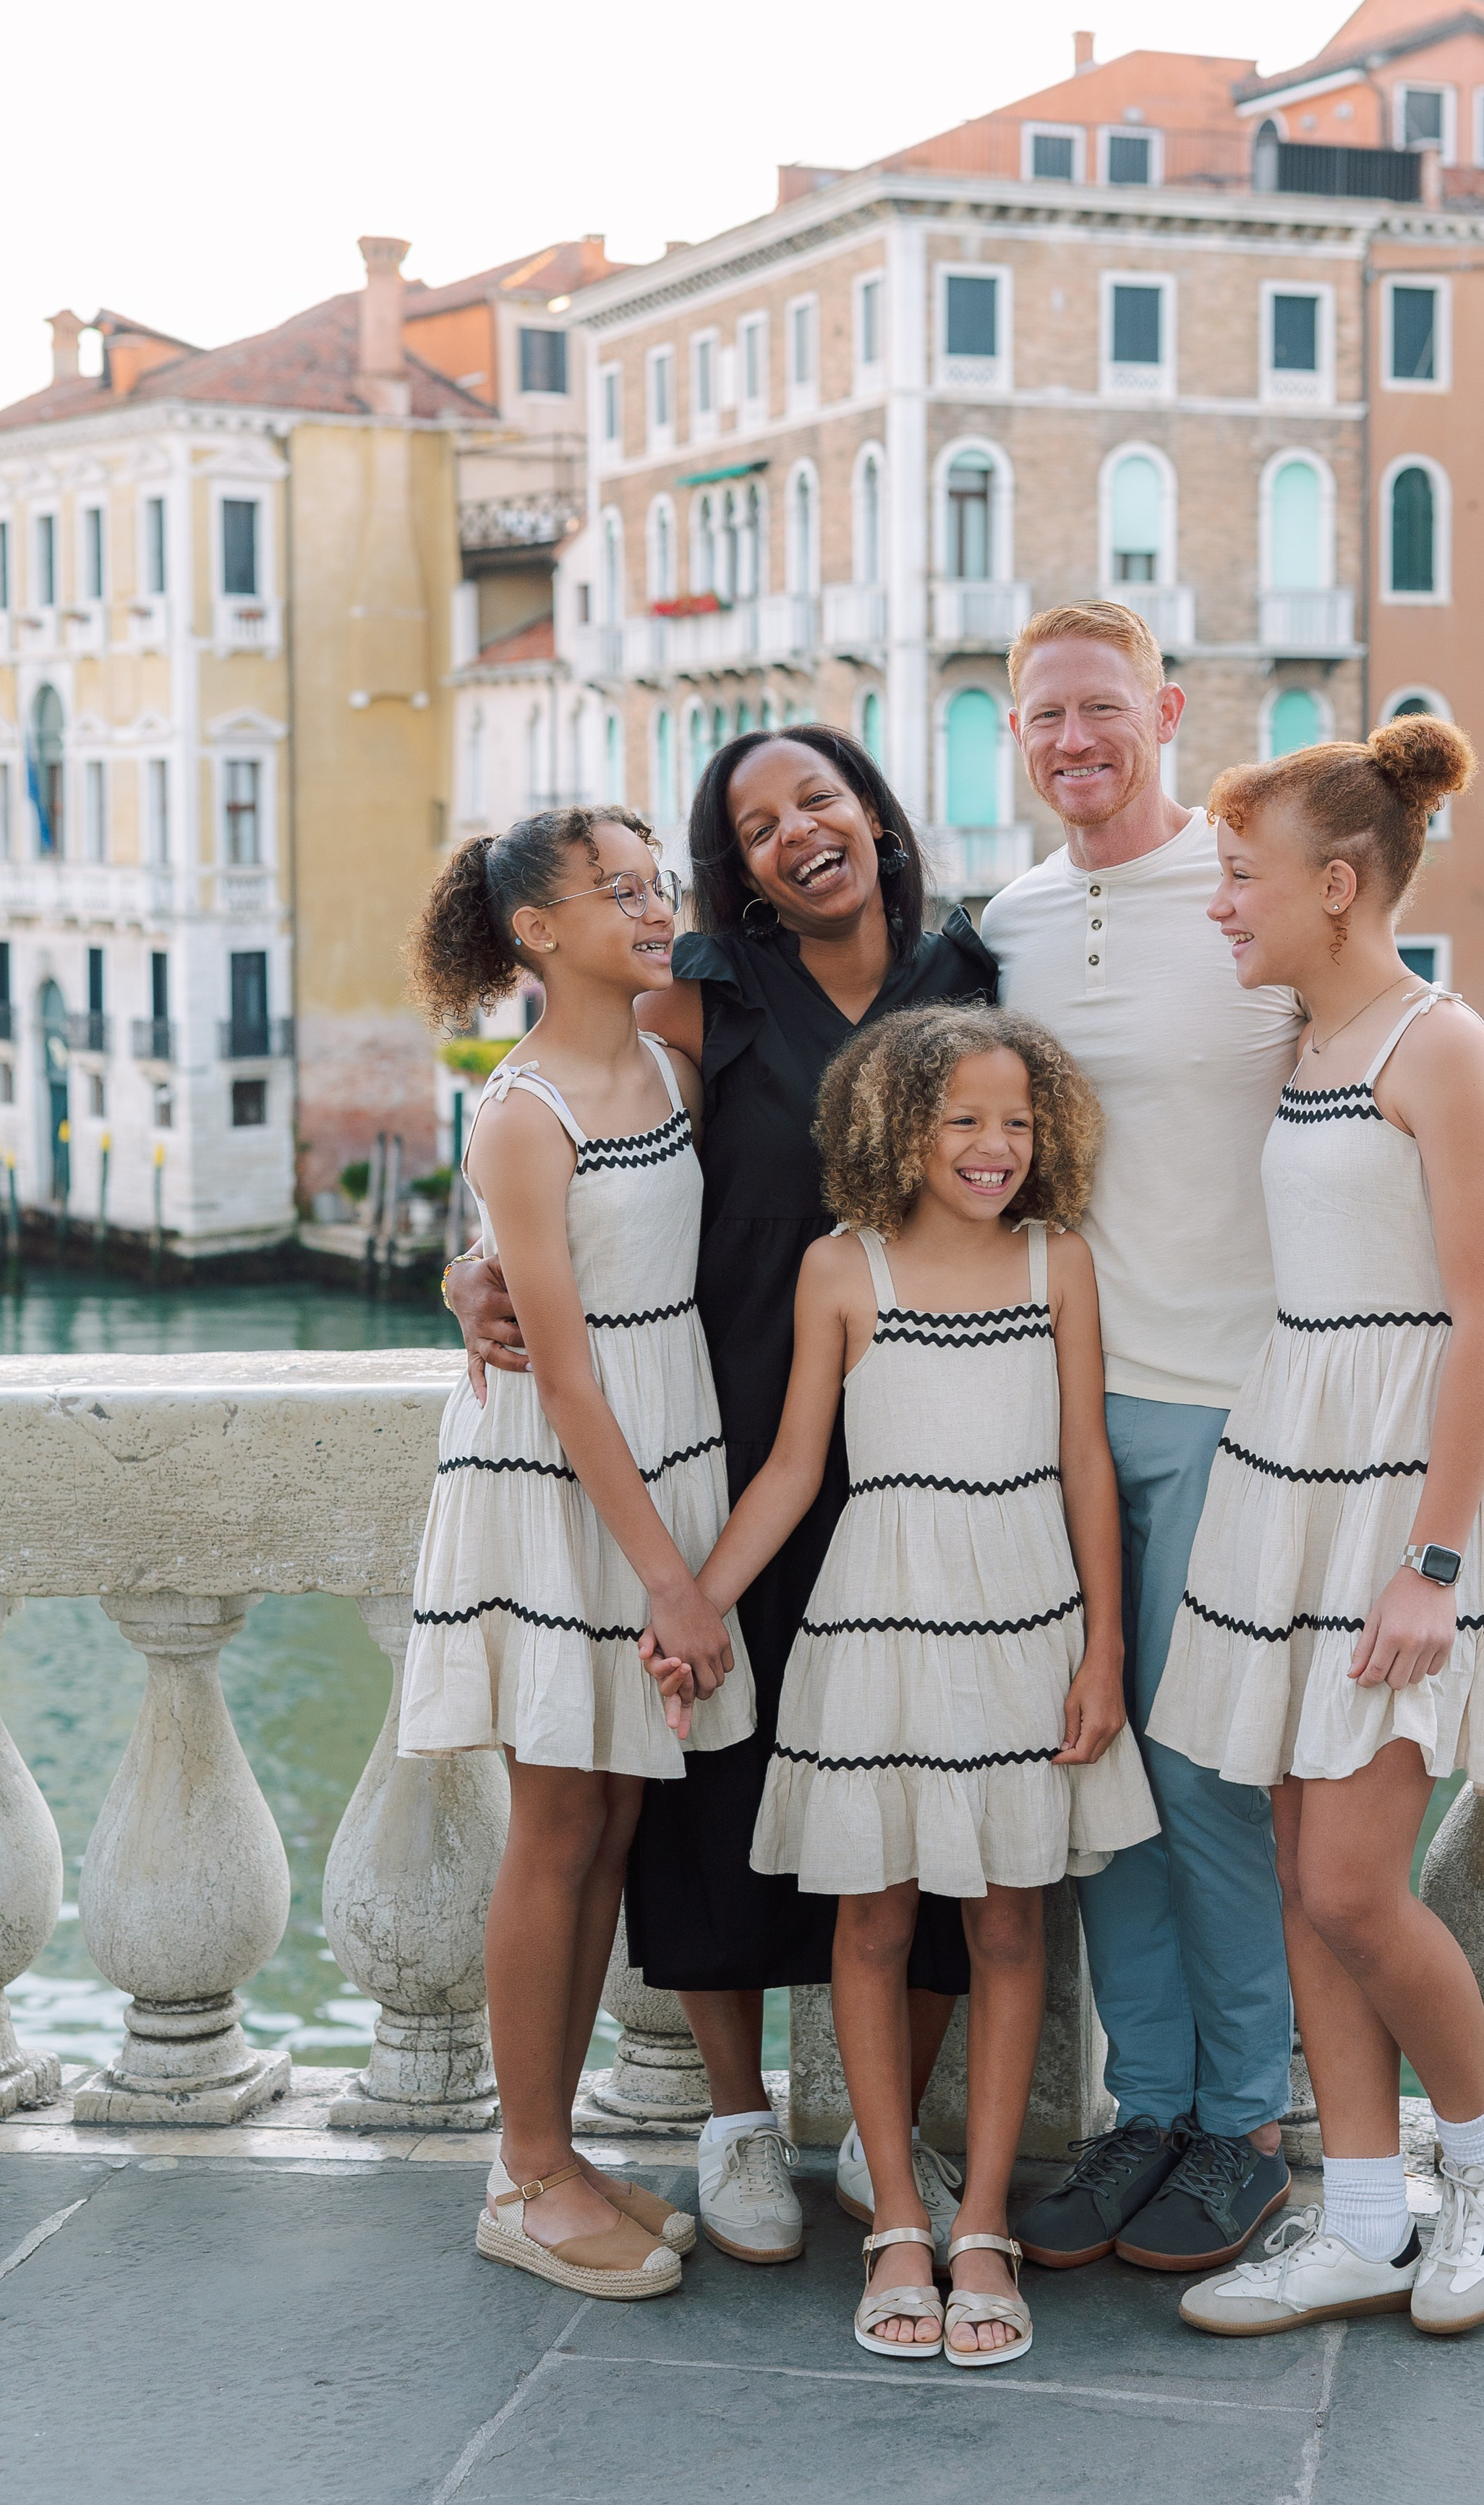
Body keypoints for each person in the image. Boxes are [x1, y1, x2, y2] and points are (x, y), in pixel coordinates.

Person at [981, 603, 1484, 2280]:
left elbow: (1449, 1239)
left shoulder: (1273, 922)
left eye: (1099, 706)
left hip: (1266, 1419)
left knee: (1234, 1809)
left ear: (1160, 709)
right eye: (1042, 714)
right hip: (1070, 1408)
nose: (1071, 739)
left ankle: (1245, 2127)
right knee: (1105, 1782)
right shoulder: (1007, 925)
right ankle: (1155, 2111)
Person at [445, 730, 996, 2266]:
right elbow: (544, 1151)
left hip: (929, 1441)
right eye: (754, 823)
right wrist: (464, 1271)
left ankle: (896, 2140)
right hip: (724, 1443)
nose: (795, 833)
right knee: (698, 1803)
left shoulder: (976, 970)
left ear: (874, 816)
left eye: (817, 798)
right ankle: (735, 2123)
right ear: (731, 865)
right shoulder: (700, 992)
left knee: (927, 1773)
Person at [1148, 722, 1484, 2339]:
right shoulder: (1308, 1046)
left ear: (1336, 886)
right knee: (1294, 1865)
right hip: (1293, 1466)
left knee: (1345, 1880)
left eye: (1241, 880)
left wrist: (1434, 1559)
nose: (1220, 909)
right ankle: (1352, 2213)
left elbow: (1483, 1320)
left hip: (1402, 1493)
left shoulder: (1439, 1043)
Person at [662, 1006, 1156, 2365]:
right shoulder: (842, 1269)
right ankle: (893, 2220)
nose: (995, 1146)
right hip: (877, 1623)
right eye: (962, 1121)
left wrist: (1103, 1651)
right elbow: (790, 1471)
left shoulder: (1061, 1263)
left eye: (1016, 1120)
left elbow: (1085, 1469)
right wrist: (696, 1599)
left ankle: (983, 2220)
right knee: (870, 1928)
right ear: (899, 1132)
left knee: (1009, 1933)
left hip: (1025, 1624)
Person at [400, 806, 753, 2298]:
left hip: (658, 1450)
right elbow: (557, 1369)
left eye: (652, 882)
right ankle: (526, 2175)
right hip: (567, 1479)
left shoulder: (666, 1051)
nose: (650, 902)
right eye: (614, 890)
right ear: (536, 932)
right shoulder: (522, 1109)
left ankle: (542, 2152)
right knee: (556, 1823)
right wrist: (672, 1577)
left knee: (611, 1816)